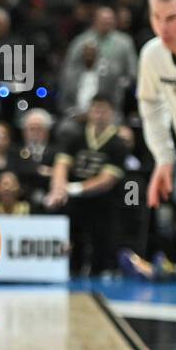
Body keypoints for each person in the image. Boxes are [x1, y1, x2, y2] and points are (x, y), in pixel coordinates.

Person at [45, 94, 128, 276]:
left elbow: (107, 180)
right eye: (96, 109)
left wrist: (75, 188)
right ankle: (72, 268)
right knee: (70, 232)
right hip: (76, 202)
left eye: (103, 110)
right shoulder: (76, 136)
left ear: (112, 113)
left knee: (101, 246)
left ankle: (100, 272)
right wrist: (58, 188)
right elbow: (61, 164)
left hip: (104, 202)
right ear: (89, 112)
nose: (99, 114)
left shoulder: (118, 144)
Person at [137, 0, 176, 211]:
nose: (162, 28)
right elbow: (150, 105)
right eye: (156, 17)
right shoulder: (152, 55)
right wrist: (164, 156)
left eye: (172, 18)